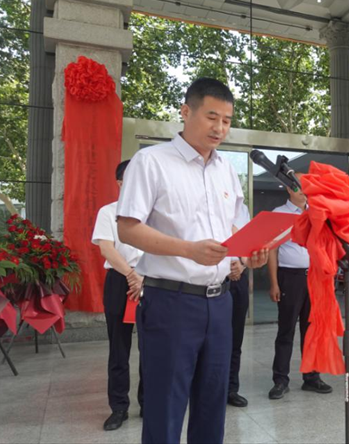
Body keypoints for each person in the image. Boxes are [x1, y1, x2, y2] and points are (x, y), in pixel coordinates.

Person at [117, 78, 268, 444]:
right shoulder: (151, 162)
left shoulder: (226, 169)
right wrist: (188, 250)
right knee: (166, 407)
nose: (220, 128)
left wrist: (246, 257)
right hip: (171, 302)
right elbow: (127, 229)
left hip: (220, 304)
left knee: (212, 406)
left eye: (228, 121)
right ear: (186, 112)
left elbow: (234, 227)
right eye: (212, 117)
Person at [91, 160, 144, 431]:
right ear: (121, 183)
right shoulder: (108, 212)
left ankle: (147, 402)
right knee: (119, 348)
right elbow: (106, 249)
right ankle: (119, 408)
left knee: (152, 346)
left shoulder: (152, 212)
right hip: (120, 281)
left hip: (151, 280)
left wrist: (143, 275)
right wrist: (132, 275)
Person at [267, 186, 332, 399]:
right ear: (288, 189)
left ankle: (312, 378)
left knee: (312, 331)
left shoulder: (316, 212)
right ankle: (280, 380)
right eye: (298, 187)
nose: (304, 191)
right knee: (286, 330)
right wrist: (275, 283)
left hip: (314, 278)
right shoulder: (279, 214)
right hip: (290, 278)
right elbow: (273, 251)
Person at [227, 203, 251, 408]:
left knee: (236, 338)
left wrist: (242, 265)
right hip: (215, 278)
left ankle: (231, 388)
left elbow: (249, 246)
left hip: (239, 277)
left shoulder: (243, 210)